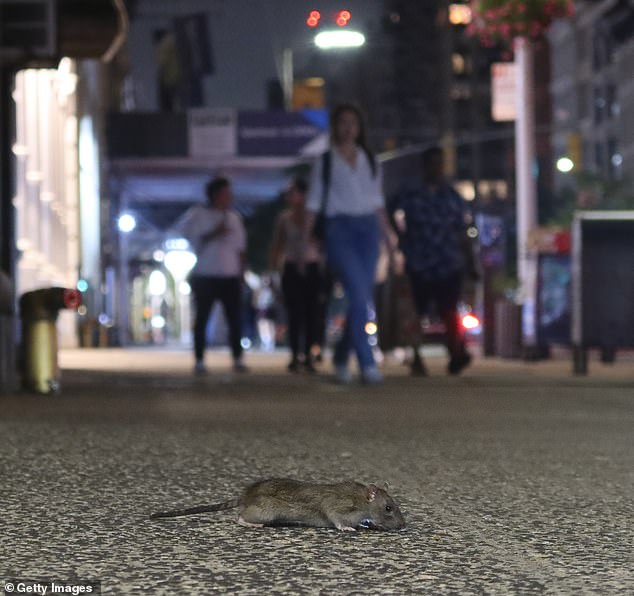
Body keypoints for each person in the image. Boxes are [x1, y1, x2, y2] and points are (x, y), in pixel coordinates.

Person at [305, 103, 397, 384]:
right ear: (335, 127)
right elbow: (312, 202)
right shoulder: (326, 162)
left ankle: (342, 357)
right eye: (343, 123)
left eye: (353, 124)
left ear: (360, 129)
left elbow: (377, 201)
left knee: (362, 296)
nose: (348, 129)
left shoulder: (370, 159)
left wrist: (389, 233)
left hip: (367, 229)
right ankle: (367, 363)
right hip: (338, 229)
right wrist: (308, 241)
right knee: (358, 293)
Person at [389, 146, 479, 375]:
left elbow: (462, 230)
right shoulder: (410, 192)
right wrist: (399, 237)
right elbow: (388, 210)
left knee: (449, 308)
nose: (437, 168)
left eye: (440, 163)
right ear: (424, 166)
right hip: (419, 259)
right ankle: (416, 356)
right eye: (433, 163)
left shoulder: (451, 195)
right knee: (415, 312)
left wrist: (470, 262)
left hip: (448, 260)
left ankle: (456, 352)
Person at [176, 176, 248, 374]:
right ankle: (199, 359)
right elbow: (188, 235)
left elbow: (241, 250)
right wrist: (214, 232)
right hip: (205, 275)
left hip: (230, 275)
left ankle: (237, 358)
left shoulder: (234, 218)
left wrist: (242, 275)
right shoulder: (198, 214)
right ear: (215, 195)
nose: (229, 197)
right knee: (202, 319)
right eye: (225, 193)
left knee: (234, 319)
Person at [269, 177, 325, 373]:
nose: (290, 197)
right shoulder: (284, 218)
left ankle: (309, 355)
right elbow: (277, 244)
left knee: (312, 313)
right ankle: (294, 355)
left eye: (293, 192)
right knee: (294, 313)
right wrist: (273, 270)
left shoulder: (315, 216)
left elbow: (323, 242)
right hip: (291, 267)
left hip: (312, 266)